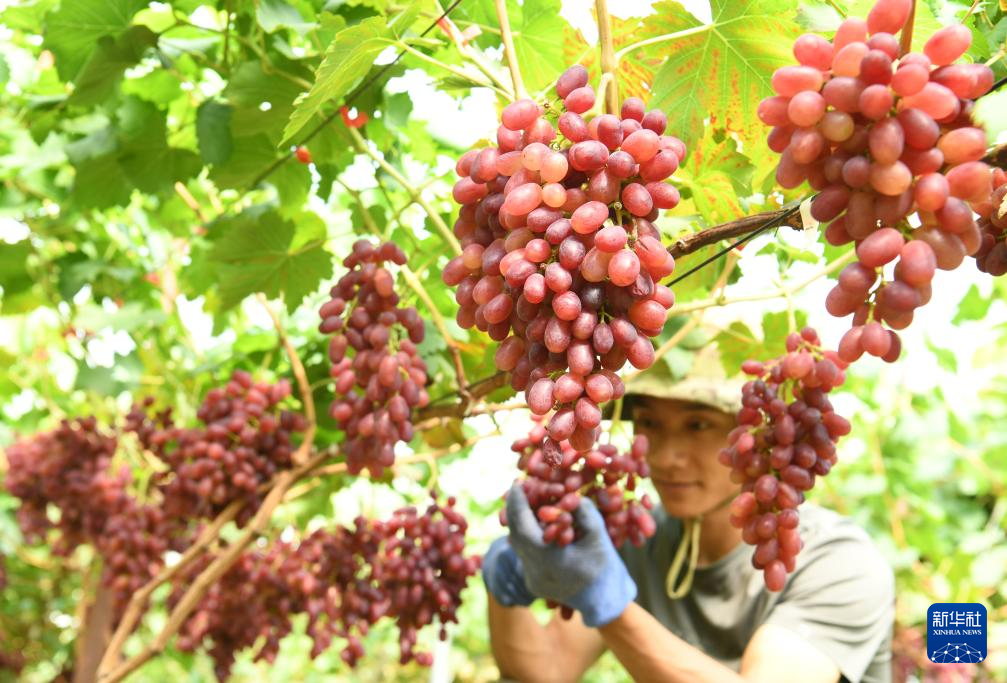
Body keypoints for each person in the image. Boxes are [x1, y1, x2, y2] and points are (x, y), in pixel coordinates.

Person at [482, 365, 896, 683]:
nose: (663, 458)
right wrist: (505, 590)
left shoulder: (836, 562)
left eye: (698, 425)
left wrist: (609, 605)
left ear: (761, 437)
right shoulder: (639, 539)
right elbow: (547, 668)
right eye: (648, 423)